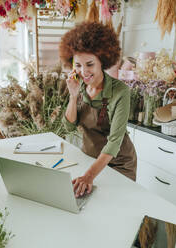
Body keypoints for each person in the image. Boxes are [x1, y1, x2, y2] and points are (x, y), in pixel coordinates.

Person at [59, 21, 137, 198]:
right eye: (77, 65)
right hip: (91, 160)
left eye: (89, 64)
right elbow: (69, 127)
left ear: (102, 61)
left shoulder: (119, 91)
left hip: (119, 164)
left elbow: (115, 141)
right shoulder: (77, 86)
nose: (83, 71)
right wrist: (72, 95)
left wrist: (88, 176)